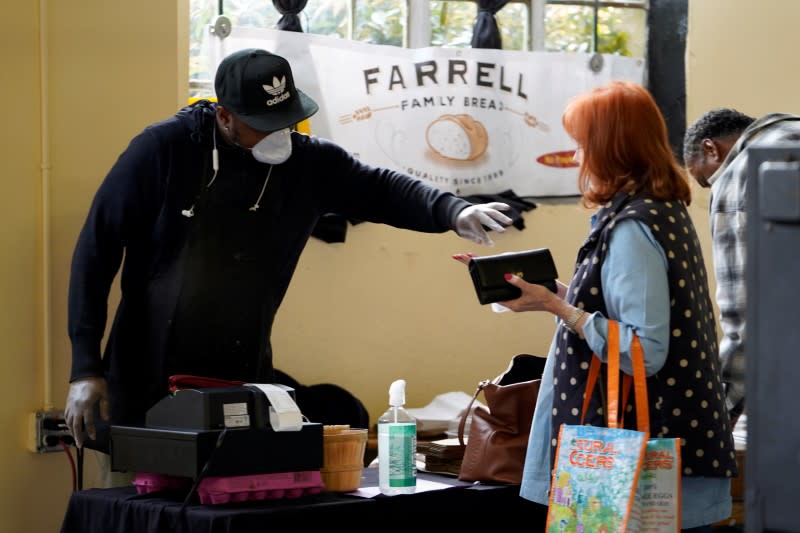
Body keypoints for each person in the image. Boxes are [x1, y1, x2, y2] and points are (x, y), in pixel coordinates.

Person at [64, 48, 513, 474]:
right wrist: (85, 367)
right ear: (224, 115)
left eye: (288, 119)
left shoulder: (308, 164)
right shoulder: (162, 151)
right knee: (142, 504)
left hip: (241, 376)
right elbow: (95, 250)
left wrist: (453, 210)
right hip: (146, 377)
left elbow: (382, 189)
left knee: (232, 498)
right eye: (265, 123)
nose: (281, 134)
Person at [455, 81, 738, 531]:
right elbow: (626, 309)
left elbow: (644, 347)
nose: (578, 158)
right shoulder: (658, 209)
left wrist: (559, 308)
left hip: (638, 447)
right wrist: (551, 296)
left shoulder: (631, 227)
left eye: (583, 145)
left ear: (610, 148)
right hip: (674, 434)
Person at [683, 108, 800, 425]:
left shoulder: (739, 171)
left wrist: (727, 401)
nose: (711, 186)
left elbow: (744, 305)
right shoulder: (791, 133)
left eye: (705, 179)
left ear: (711, 149)